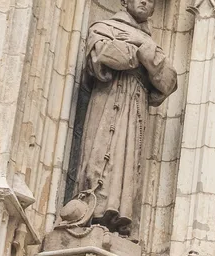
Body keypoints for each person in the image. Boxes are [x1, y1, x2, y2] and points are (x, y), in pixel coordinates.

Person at [59, 0, 177, 237]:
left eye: (152, 0)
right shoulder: (104, 27)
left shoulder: (149, 42)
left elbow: (168, 81)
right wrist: (143, 56)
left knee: (128, 161)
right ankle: (89, 211)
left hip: (136, 108)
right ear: (125, 1)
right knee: (101, 153)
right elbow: (103, 56)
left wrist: (143, 49)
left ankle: (119, 220)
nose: (146, 1)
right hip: (107, 100)